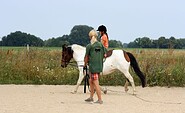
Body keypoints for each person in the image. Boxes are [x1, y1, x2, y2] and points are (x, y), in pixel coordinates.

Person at [84, 29, 106, 104]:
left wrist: (85, 64)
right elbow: (105, 55)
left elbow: (86, 57)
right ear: (96, 37)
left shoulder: (89, 46)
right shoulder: (101, 45)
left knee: (96, 83)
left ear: (90, 37)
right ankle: (91, 97)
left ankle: (100, 99)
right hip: (99, 66)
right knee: (91, 81)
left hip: (92, 67)